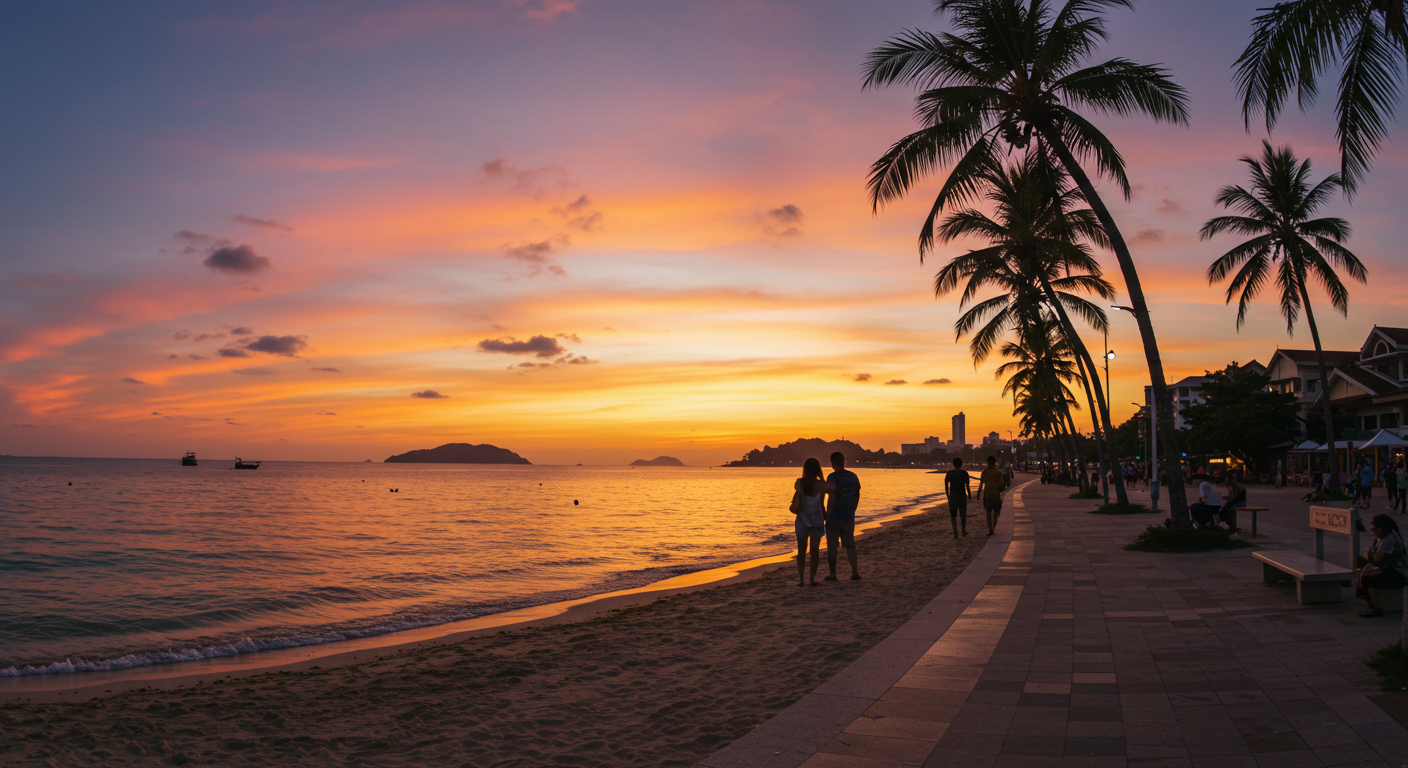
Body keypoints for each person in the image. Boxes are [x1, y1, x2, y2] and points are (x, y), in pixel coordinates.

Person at [791, 458, 834, 587]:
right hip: (816, 521)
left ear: (804, 469)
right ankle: (812, 580)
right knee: (814, 552)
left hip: (802, 521)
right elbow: (833, 490)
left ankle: (801, 580)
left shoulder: (799, 483)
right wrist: (829, 510)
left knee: (801, 551)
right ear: (817, 469)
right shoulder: (822, 485)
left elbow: (797, 490)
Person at [1355, 514, 1408, 618]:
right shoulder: (1383, 536)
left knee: (1368, 580)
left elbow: (1377, 559)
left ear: (1380, 528)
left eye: (1374, 529)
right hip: (1390, 568)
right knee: (1360, 564)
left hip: (1399, 573)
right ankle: (1371, 605)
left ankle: (1377, 608)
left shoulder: (1389, 539)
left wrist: (1374, 569)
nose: (1372, 531)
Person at [824, 451, 862, 581]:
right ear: (843, 461)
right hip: (849, 515)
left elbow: (831, 496)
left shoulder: (832, 477)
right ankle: (854, 572)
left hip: (834, 516)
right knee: (850, 544)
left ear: (832, 463)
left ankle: (833, 574)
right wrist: (853, 509)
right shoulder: (853, 476)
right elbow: (857, 494)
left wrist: (827, 514)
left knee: (832, 546)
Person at [977, 455, 1006, 536]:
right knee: (996, 513)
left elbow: (981, 484)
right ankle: (994, 527)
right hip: (996, 495)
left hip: (987, 495)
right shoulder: (998, 472)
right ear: (995, 462)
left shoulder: (984, 472)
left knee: (988, 513)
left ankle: (991, 530)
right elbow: (1001, 484)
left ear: (988, 463)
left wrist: (979, 493)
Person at [944, 457, 971, 539]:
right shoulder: (964, 473)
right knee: (963, 515)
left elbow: (946, 485)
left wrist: (948, 495)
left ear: (953, 464)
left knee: (953, 516)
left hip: (953, 496)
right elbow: (967, 485)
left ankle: (955, 533)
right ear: (961, 464)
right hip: (962, 495)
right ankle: (963, 531)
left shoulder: (949, 473)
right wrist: (969, 494)